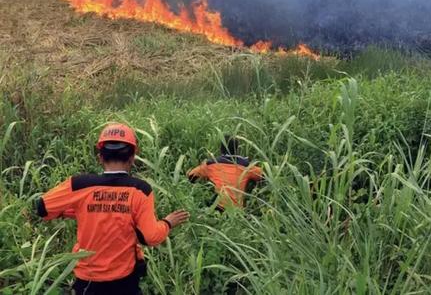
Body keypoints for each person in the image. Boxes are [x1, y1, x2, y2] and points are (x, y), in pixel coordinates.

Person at [34, 123, 189, 295]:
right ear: (132, 158)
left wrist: (80, 211)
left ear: (100, 157)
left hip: (87, 279)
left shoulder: (78, 184)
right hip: (124, 280)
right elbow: (150, 237)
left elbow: (42, 208)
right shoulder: (140, 190)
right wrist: (168, 222)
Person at [187, 136, 263, 211]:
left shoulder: (211, 164)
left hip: (217, 207)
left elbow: (191, 177)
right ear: (237, 149)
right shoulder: (247, 166)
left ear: (221, 149)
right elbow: (264, 177)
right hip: (237, 211)